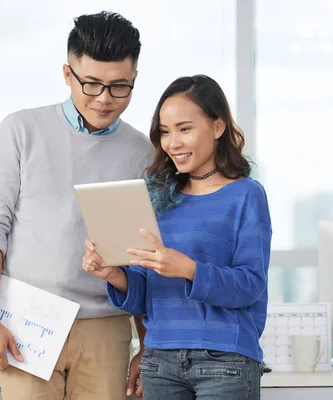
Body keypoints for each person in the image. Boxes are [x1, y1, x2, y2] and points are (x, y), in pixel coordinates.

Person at [0, 11, 153, 400]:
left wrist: (147, 343)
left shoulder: (143, 152)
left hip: (106, 327)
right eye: (92, 84)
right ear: (68, 74)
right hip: (26, 323)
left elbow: (142, 255)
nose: (104, 99)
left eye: (120, 86)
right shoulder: (20, 131)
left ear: (134, 79)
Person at [82, 75, 272, 399]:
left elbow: (250, 285)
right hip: (160, 362)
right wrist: (115, 275)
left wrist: (189, 269)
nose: (173, 143)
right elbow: (144, 297)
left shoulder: (246, 195)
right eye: (166, 132)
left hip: (224, 360)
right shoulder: (157, 197)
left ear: (217, 127)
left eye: (184, 129)